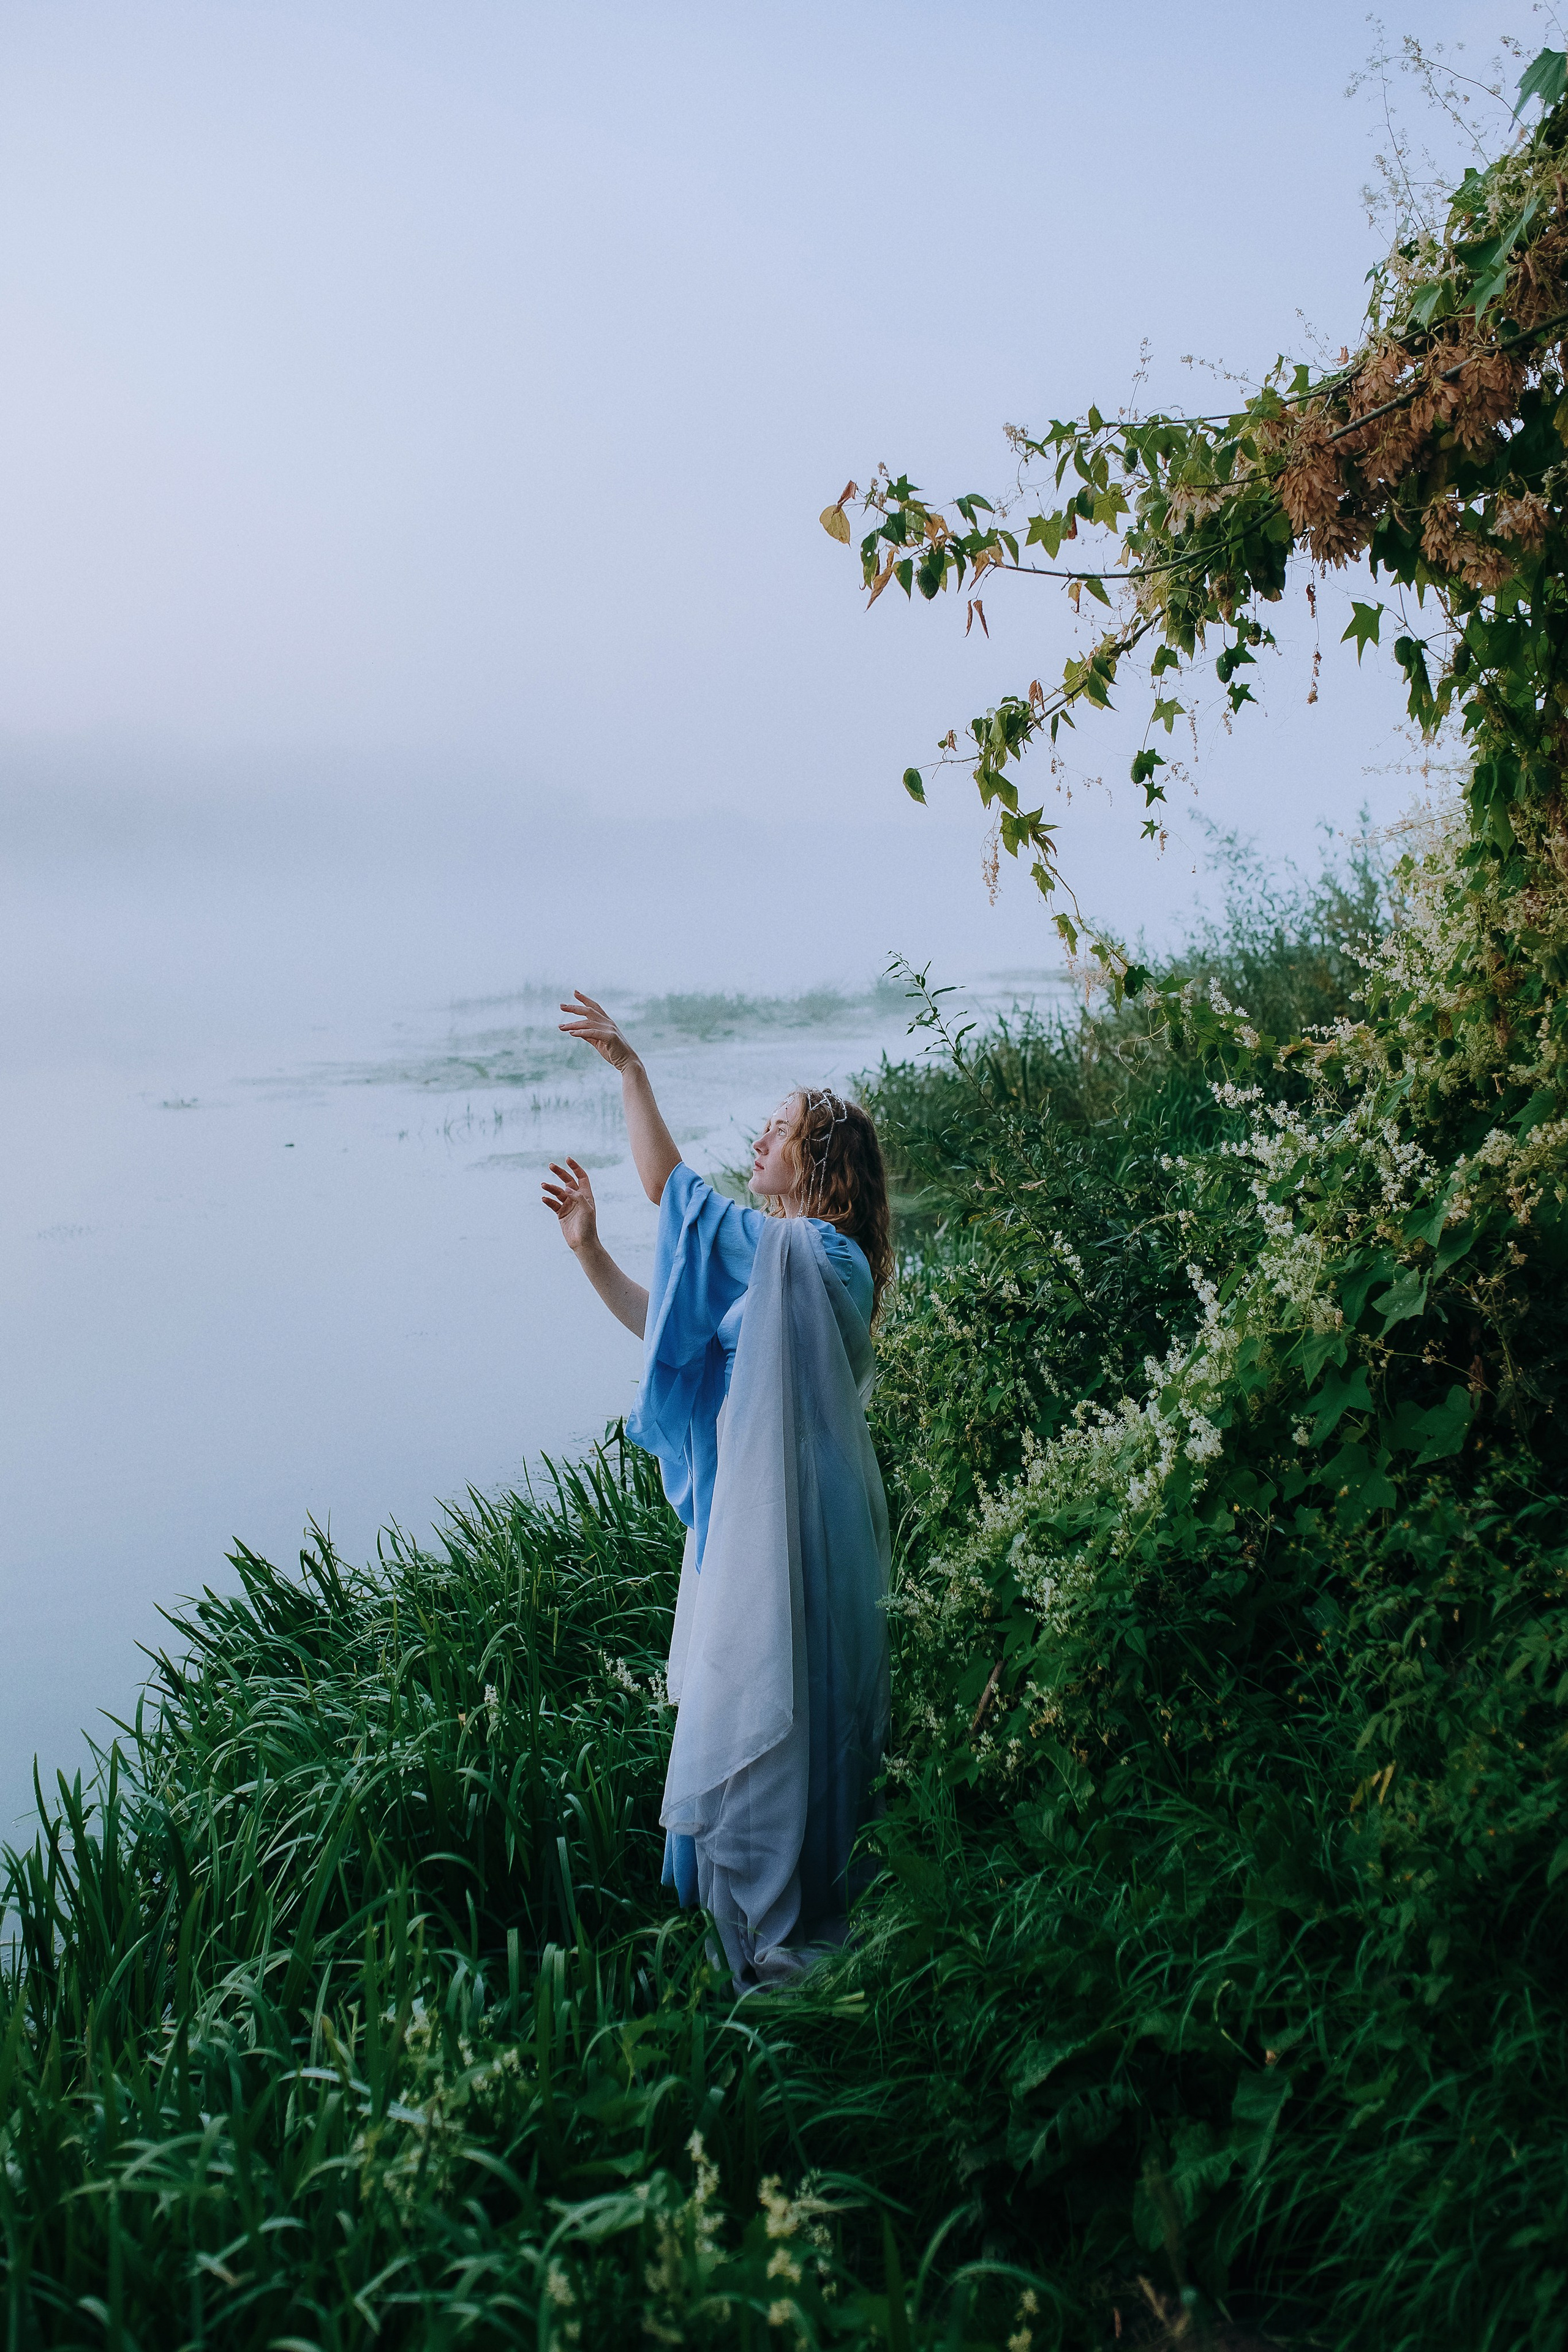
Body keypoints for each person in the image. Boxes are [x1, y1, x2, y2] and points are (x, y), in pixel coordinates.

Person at [540, 990, 892, 1990]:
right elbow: (679, 1335)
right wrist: (591, 1255)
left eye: (780, 1132)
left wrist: (632, 1071)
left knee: (794, 1694)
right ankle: (754, 1893)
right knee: (756, 1689)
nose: (762, 1142)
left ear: (820, 1164)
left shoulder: (823, 1258)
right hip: (755, 1512)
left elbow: (673, 1190)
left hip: (798, 1517)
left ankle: (790, 1903)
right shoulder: (777, 1262)